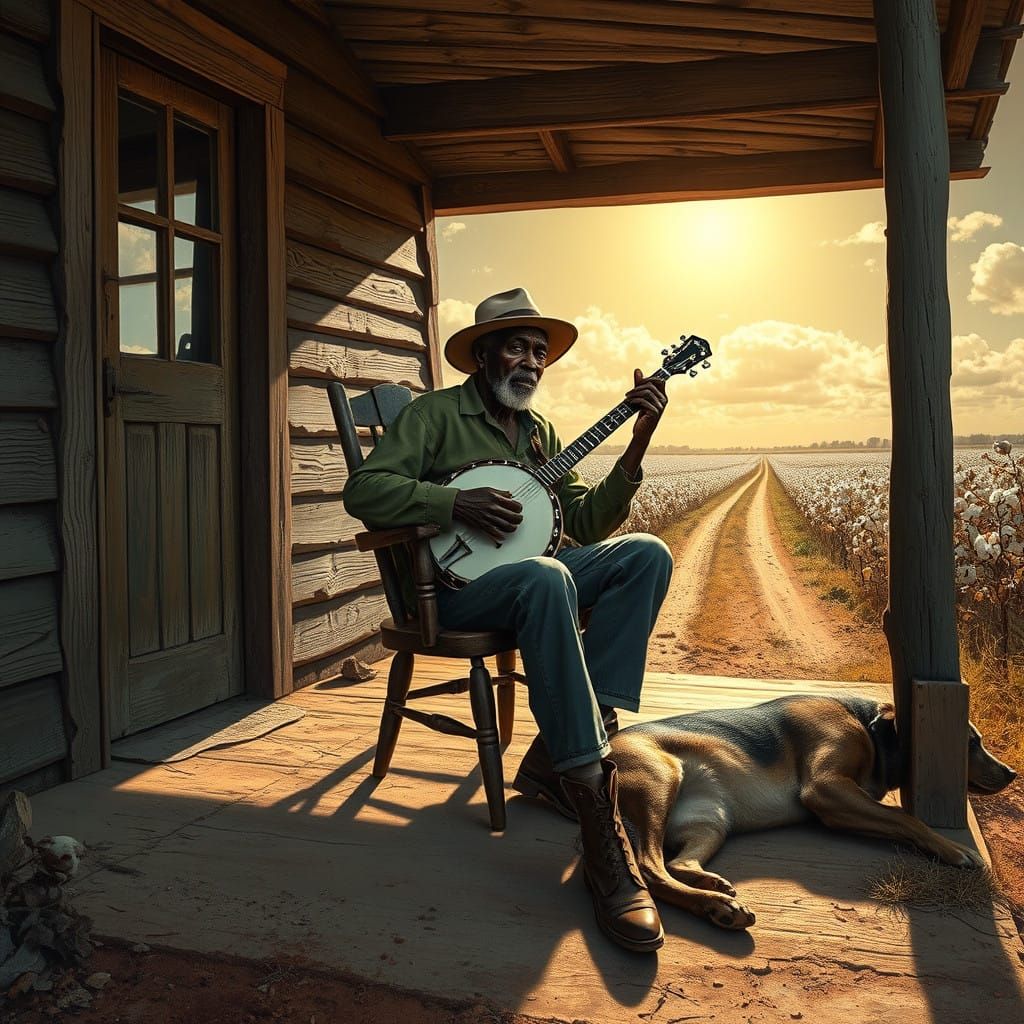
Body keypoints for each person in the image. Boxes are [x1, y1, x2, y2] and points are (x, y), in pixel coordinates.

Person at [342, 287, 674, 953]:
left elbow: (579, 522)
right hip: (451, 592)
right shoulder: (436, 416)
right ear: (485, 354)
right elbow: (363, 492)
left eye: (540, 353)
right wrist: (451, 505)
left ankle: (567, 754)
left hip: (529, 585)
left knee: (644, 555)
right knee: (547, 577)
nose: (531, 362)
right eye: (519, 347)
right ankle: (599, 827)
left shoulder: (542, 433)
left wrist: (635, 447)